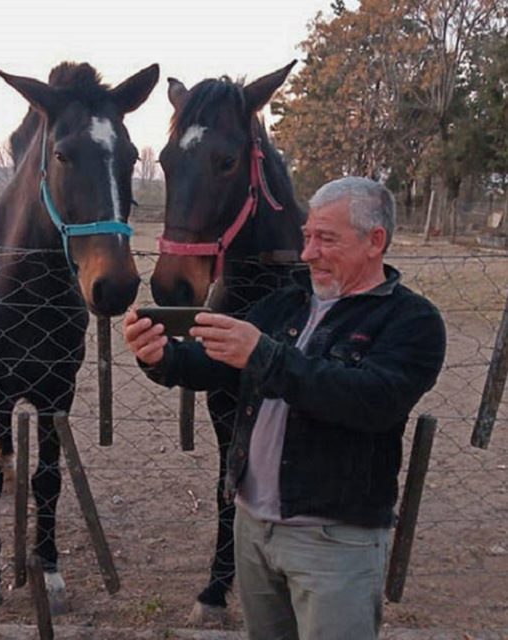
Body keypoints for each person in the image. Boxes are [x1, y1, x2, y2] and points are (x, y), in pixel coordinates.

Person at [123, 177, 446, 640]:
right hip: (253, 530)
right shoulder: (287, 304)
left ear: (376, 241)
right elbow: (217, 367)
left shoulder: (411, 321)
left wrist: (264, 355)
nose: (309, 252)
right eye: (307, 236)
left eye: (326, 239)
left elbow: (371, 401)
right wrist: (162, 358)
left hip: (334, 542)